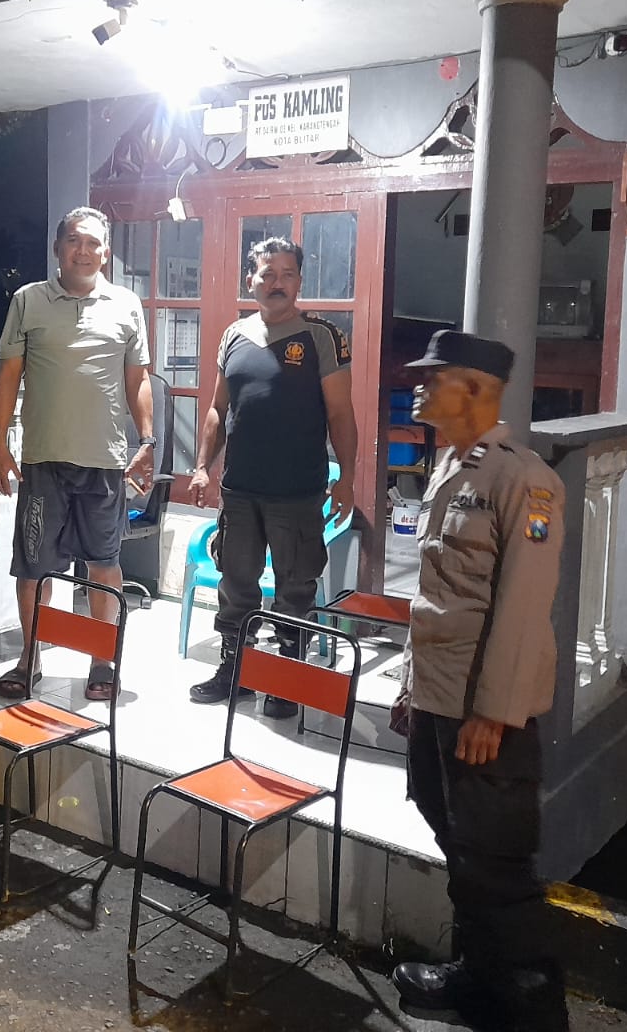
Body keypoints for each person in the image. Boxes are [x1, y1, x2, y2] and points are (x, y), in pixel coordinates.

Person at [389, 329, 568, 1032]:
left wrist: (494, 712)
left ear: (473, 389)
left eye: (433, 378)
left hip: (482, 710)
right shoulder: (451, 467)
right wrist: (411, 685)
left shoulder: (524, 480)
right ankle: (479, 979)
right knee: (457, 844)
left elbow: (522, 606)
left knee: (495, 864)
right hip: (440, 694)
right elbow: (435, 596)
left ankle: (534, 1014)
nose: (419, 386)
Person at [0, 207, 154, 701]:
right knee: (33, 567)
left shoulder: (126, 304)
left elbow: (138, 378)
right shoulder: (28, 300)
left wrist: (147, 442)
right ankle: (30, 657)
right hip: (43, 461)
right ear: (58, 247)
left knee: (104, 563)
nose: (84, 251)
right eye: (75, 241)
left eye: (94, 243)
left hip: (105, 461)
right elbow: (9, 374)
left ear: (106, 253)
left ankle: (102, 659)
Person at [187, 237, 358, 716]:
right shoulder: (233, 335)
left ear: (299, 281)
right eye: (268, 274)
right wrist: (201, 467)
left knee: (295, 589)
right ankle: (235, 671)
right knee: (235, 583)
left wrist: (346, 478)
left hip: (297, 493)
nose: (276, 283)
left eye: (287, 274)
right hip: (240, 490)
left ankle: (284, 680)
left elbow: (341, 413)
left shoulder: (322, 336)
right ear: (252, 281)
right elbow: (217, 410)